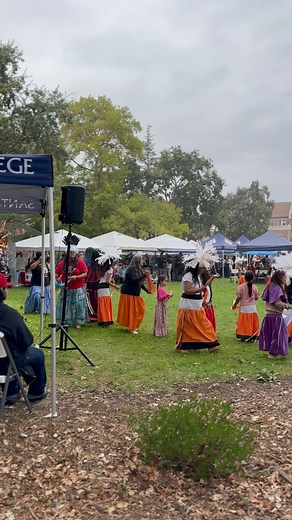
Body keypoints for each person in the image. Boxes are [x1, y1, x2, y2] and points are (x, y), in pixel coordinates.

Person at [0, 273, 47, 403]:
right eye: (6, 288)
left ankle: (12, 391)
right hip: (7, 361)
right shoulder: (10, 315)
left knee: (12, 354)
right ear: (2, 291)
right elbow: (26, 341)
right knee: (36, 354)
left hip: (6, 359)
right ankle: (36, 392)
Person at [176, 242, 220, 352]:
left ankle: (211, 343)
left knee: (204, 324)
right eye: (202, 268)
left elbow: (205, 286)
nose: (203, 270)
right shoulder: (188, 276)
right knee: (187, 326)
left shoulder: (198, 276)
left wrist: (212, 278)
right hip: (188, 304)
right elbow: (187, 290)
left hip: (197, 304)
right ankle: (184, 345)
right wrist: (201, 290)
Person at [258, 270, 292, 359]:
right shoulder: (276, 287)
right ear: (280, 278)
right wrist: (288, 306)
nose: (286, 279)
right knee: (278, 335)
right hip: (275, 316)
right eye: (285, 277)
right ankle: (273, 353)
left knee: (273, 334)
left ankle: (272, 352)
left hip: (270, 316)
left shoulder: (272, 285)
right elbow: (277, 303)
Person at [117, 253, 151, 334]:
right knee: (133, 311)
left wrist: (146, 290)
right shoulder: (130, 269)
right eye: (141, 259)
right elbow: (133, 280)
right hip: (129, 292)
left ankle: (132, 325)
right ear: (137, 260)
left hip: (135, 293)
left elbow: (140, 282)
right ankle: (131, 327)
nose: (142, 261)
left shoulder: (139, 268)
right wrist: (144, 275)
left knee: (138, 310)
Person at [55, 245, 88, 329]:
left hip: (78, 287)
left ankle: (78, 322)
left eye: (74, 252)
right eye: (70, 252)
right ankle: (65, 321)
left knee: (79, 305)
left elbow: (85, 273)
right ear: (67, 253)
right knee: (64, 305)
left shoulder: (80, 262)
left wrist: (77, 277)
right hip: (66, 287)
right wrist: (57, 278)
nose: (72, 253)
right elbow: (57, 273)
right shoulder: (62, 263)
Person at [232, 270, 259, 341]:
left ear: (245, 278)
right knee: (252, 322)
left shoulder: (241, 287)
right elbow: (256, 297)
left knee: (245, 323)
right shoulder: (255, 287)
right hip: (253, 308)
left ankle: (245, 335)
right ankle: (253, 335)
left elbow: (238, 297)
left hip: (244, 307)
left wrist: (234, 304)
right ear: (253, 278)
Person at [97, 252, 120, 327]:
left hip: (100, 286)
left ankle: (102, 320)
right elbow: (107, 281)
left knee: (102, 303)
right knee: (105, 303)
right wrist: (115, 286)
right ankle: (105, 320)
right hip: (104, 287)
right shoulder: (110, 269)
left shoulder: (102, 268)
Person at [86, 249, 101, 322]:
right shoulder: (93, 266)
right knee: (93, 302)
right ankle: (93, 316)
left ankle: (94, 316)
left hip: (93, 288)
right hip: (92, 288)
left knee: (95, 302)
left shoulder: (96, 266)